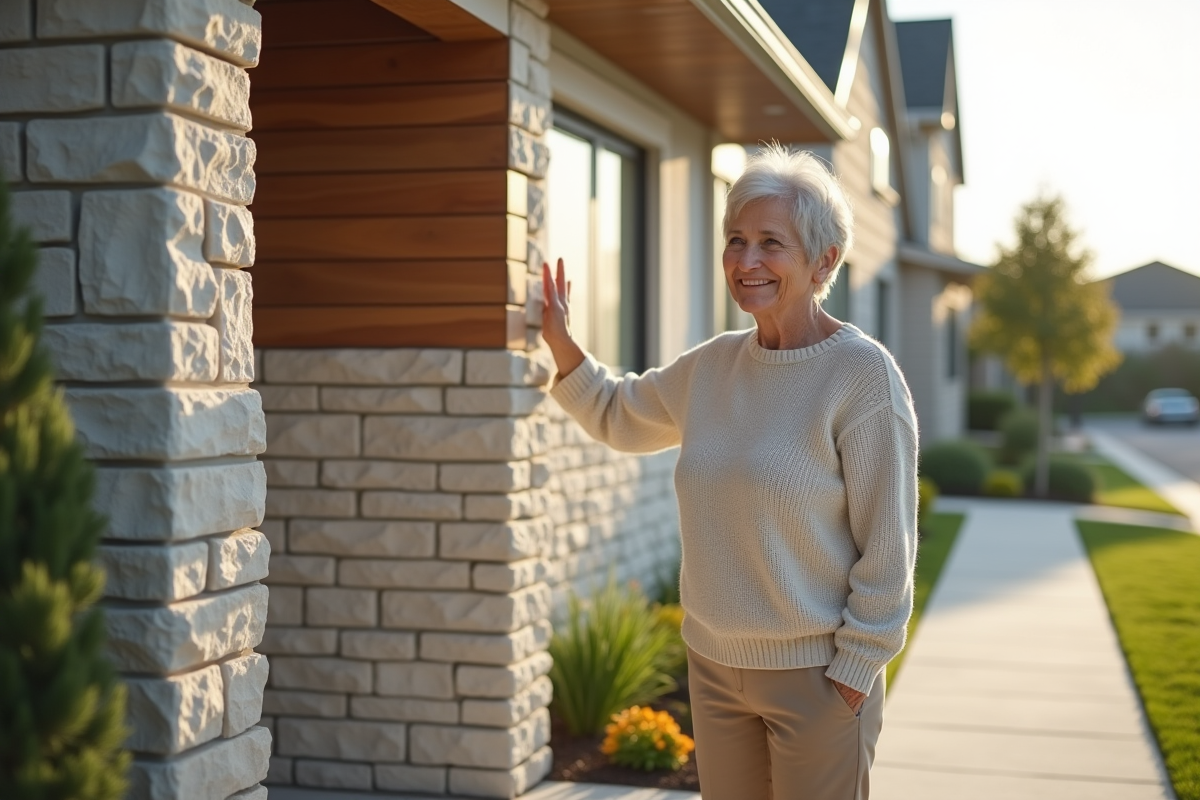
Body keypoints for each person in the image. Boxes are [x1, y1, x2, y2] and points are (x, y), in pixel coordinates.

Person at [540, 143, 919, 800]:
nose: (746, 261)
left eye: (771, 243)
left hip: (819, 678)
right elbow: (619, 414)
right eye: (736, 241)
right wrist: (561, 342)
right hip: (715, 671)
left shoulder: (860, 377)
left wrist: (855, 671)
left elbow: (889, 546)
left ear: (824, 260)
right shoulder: (712, 366)